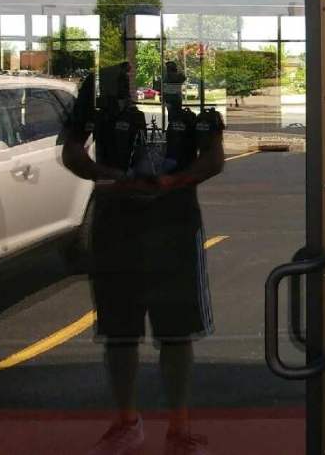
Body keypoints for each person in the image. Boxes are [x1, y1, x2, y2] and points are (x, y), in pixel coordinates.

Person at [60, 61, 225, 455]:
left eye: (173, 76)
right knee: (118, 332)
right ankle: (125, 423)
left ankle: (179, 429)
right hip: (116, 228)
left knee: (176, 331)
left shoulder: (195, 107)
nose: (140, 79)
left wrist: (175, 180)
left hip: (175, 229)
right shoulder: (100, 99)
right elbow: (70, 153)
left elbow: (214, 157)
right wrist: (113, 176)